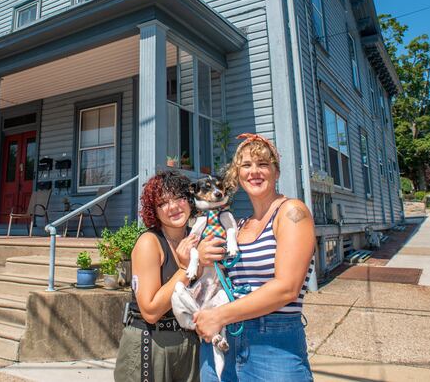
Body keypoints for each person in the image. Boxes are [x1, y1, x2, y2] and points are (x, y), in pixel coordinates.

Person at [195, 134, 316, 382]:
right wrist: (201, 257)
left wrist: (219, 315)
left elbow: (286, 288)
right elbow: (216, 278)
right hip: (223, 340)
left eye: (263, 164)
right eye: (246, 165)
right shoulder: (238, 226)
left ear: (276, 172)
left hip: (272, 344)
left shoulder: (292, 212)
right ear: (237, 174)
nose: (254, 172)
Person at [115, 170, 224, 382]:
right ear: (154, 211)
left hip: (191, 340)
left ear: (190, 199)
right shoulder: (149, 242)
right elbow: (150, 310)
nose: (173, 207)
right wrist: (186, 269)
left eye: (179, 198)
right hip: (151, 341)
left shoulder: (199, 236)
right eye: (162, 203)